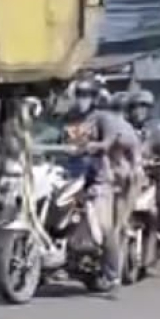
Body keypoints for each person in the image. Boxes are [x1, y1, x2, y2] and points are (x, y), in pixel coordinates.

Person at [64, 77, 142, 291]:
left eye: (86, 95)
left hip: (99, 177)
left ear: (95, 98)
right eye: (79, 94)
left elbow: (107, 143)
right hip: (72, 174)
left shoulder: (103, 118)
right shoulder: (72, 118)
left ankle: (112, 273)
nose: (82, 100)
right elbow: (68, 142)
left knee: (106, 227)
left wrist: (91, 146)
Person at [127, 89, 160, 276]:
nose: (138, 111)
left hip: (153, 178)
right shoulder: (125, 128)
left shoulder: (157, 129)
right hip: (129, 179)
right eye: (134, 107)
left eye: (143, 107)